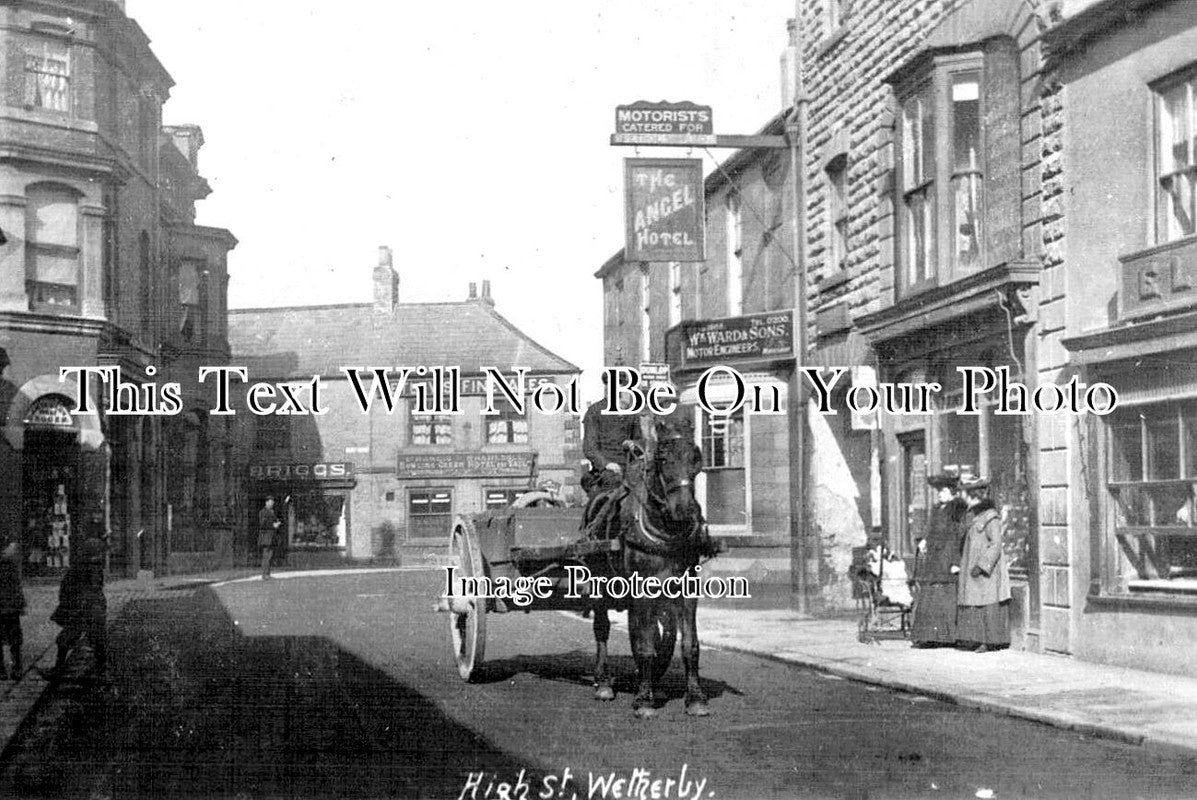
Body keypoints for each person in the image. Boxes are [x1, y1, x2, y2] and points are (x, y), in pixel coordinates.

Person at [956, 476, 1011, 653]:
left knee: (987, 603)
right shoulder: (973, 515)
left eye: (965, 494)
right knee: (975, 602)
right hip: (973, 567)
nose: (962, 497)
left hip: (986, 571)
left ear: (973, 496)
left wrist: (982, 565)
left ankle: (989, 641)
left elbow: (996, 544)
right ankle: (977, 639)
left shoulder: (990, 518)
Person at [910, 471, 965, 648]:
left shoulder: (957, 509)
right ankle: (929, 636)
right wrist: (924, 540)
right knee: (930, 596)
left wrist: (956, 561)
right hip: (934, 559)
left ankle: (946, 637)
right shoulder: (936, 509)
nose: (940, 494)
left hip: (948, 558)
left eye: (943, 491)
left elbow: (959, 536)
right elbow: (931, 530)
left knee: (946, 598)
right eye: (939, 491)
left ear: (952, 492)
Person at [45, 537, 107, 681]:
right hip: (89, 609)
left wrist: (77, 604)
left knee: (65, 640)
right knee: (97, 640)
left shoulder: (87, 566)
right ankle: (101, 671)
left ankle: (58, 671)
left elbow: (87, 589)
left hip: (83, 610)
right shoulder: (92, 566)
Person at [0, 540, 25, 679]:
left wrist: (20, 604)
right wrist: (20, 604)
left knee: (15, 638)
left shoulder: (10, 565)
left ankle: (11, 668)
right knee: (15, 638)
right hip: (9, 606)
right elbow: (16, 586)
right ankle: (14, 668)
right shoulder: (10, 564)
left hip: (10, 606)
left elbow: (16, 586)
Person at [258, 496, 282, 580]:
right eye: (271, 502)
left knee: (270, 556)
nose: (272, 504)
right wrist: (273, 525)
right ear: (267, 502)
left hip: (271, 536)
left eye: (273, 502)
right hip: (266, 536)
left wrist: (277, 523)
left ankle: (267, 573)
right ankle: (265, 574)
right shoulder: (263, 512)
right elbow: (262, 523)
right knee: (266, 556)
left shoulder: (272, 512)